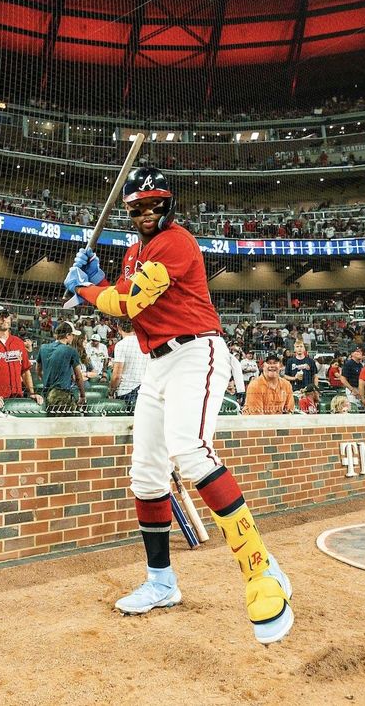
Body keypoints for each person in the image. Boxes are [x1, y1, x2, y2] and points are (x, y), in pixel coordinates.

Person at [64, 166, 293, 645]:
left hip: (196, 351)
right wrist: (99, 277)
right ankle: (161, 582)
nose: (147, 213)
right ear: (128, 212)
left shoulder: (177, 243)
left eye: (155, 204)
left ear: (168, 205)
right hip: (156, 364)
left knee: (190, 449)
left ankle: (261, 571)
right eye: (138, 207)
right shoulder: (133, 252)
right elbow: (128, 295)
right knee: (146, 474)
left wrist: (83, 290)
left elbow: (127, 304)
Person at [37, 321, 86, 414]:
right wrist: (82, 395)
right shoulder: (71, 350)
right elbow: (78, 376)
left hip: (46, 393)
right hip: (62, 395)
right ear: (67, 335)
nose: (73, 337)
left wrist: (48, 379)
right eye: (72, 335)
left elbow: (38, 371)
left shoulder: (43, 347)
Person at [108, 318, 149, 408]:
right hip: (144, 390)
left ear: (119, 328)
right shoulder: (144, 343)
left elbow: (116, 376)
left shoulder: (121, 345)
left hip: (126, 391)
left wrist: (111, 392)